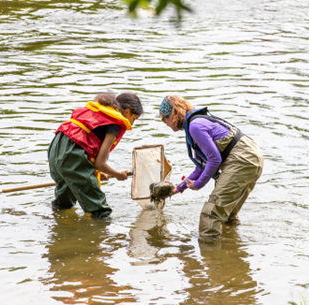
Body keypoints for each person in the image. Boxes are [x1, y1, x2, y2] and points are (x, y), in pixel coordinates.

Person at [159, 95, 264, 242]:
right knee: (228, 214)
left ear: (173, 115)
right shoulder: (196, 122)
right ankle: (232, 251)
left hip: (241, 160)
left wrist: (198, 184)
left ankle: (211, 257)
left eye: (164, 119)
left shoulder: (195, 127)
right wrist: (178, 188)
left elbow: (214, 159)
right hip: (252, 157)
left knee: (210, 215)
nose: (165, 123)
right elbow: (201, 166)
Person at [48, 91, 143, 218]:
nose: (132, 123)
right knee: (100, 210)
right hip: (71, 155)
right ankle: (99, 235)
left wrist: (91, 171)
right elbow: (100, 163)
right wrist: (117, 174)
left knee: (64, 202)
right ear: (126, 111)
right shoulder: (113, 126)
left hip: (56, 149)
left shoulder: (98, 112)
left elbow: (83, 143)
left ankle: (61, 230)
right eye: (133, 119)